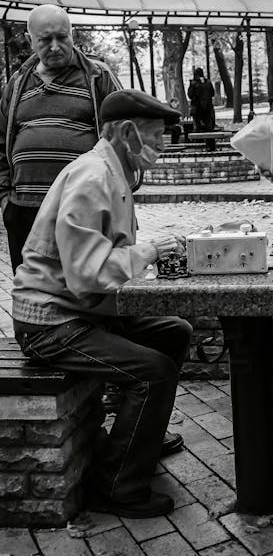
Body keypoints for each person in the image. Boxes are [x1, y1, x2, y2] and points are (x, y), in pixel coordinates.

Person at [11, 89, 193, 518]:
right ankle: (117, 486)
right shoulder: (94, 177)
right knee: (154, 374)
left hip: (79, 311)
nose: (162, 145)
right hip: (50, 323)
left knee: (175, 332)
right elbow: (86, 274)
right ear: (128, 132)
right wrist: (148, 252)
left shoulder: (113, 171)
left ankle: (138, 439)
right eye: (157, 134)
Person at [0, 4, 122, 272]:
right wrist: (5, 197)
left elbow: (125, 137)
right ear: (30, 40)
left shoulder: (98, 77)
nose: (55, 46)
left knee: (86, 286)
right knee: (31, 288)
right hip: (24, 208)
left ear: (72, 34)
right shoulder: (17, 83)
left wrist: (118, 194)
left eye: (62, 37)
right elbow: (0, 141)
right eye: (45, 40)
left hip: (83, 208)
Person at [188, 67, 215, 131]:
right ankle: (209, 139)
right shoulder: (208, 82)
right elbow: (212, 93)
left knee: (198, 125)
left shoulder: (193, 83)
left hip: (197, 107)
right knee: (208, 124)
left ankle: (198, 139)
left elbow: (190, 95)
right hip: (207, 106)